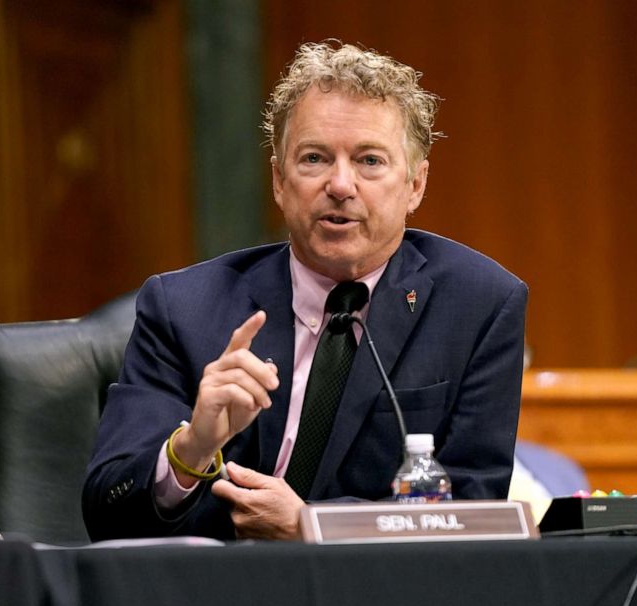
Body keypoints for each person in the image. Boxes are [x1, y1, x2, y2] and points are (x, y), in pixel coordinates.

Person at [83, 41, 527, 541]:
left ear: (416, 185)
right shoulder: (184, 309)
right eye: (314, 158)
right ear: (278, 179)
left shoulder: (478, 305)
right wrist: (190, 450)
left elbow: (472, 519)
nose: (340, 184)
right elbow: (106, 513)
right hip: (213, 602)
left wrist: (315, 527)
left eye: (370, 161)